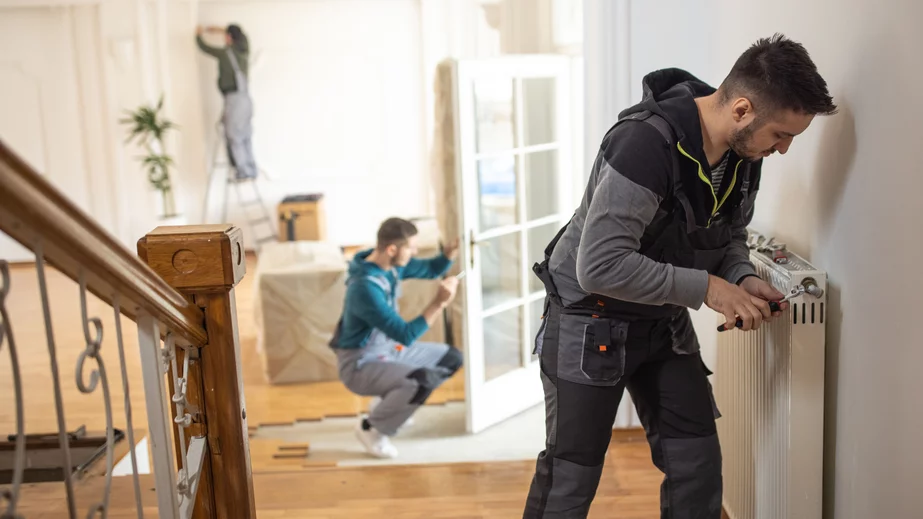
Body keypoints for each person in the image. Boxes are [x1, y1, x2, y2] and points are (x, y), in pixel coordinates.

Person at [524, 34, 837, 518]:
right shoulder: (643, 144)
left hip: (661, 321)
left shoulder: (743, 156)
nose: (785, 150)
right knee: (572, 474)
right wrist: (712, 288)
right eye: (780, 134)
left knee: (697, 465)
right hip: (591, 320)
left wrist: (741, 276)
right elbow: (600, 266)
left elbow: (730, 233)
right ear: (741, 109)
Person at [329, 217, 464, 459]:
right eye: (411, 247)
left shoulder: (389, 264)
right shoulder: (364, 288)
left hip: (389, 349)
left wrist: (449, 254)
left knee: (451, 358)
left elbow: (432, 269)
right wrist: (439, 303)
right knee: (420, 382)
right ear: (392, 249)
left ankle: (389, 405)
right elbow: (406, 334)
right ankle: (371, 429)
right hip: (360, 364)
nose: (414, 252)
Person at [195, 24, 258, 180]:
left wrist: (198, 35)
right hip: (246, 100)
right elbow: (240, 36)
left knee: (233, 136)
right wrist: (223, 30)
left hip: (234, 100)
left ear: (229, 37)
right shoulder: (244, 50)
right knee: (245, 136)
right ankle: (251, 169)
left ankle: (242, 172)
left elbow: (204, 47)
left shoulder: (225, 53)